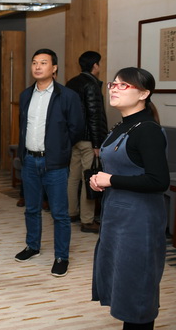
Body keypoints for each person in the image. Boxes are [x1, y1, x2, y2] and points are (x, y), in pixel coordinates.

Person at [90, 67, 170, 330]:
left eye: (123, 85)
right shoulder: (122, 125)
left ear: (144, 94)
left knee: (138, 294)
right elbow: (121, 169)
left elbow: (158, 181)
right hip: (117, 218)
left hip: (139, 222)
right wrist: (99, 179)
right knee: (122, 285)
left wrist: (111, 180)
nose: (114, 88)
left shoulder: (147, 130)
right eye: (113, 83)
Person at [14, 48, 83, 277]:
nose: (37, 66)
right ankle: (32, 246)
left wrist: (60, 149)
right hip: (29, 160)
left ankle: (61, 256)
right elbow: (23, 126)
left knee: (60, 213)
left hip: (54, 163)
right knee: (31, 209)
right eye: (34, 62)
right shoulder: (26, 95)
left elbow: (76, 128)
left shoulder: (68, 96)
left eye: (43, 63)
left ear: (54, 68)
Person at [65, 51, 108, 233]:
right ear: (95, 65)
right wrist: (97, 144)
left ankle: (71, 212)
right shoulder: (91, 85)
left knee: (73, 177)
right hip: (88, 139)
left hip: (74, 137)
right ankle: (87, 220)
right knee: (89, 178)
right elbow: (94, 116)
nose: (100, 67)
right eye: (99, 64)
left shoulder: (71, 83)